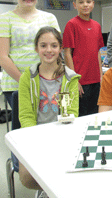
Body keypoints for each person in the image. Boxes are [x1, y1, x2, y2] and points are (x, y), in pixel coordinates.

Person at [18, 26, 80, 196]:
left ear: (60, 48)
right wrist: (38, 139)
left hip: (62, 136)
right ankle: (47, 190)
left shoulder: (70, 78)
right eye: (43, 45)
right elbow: (26, 115)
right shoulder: (27, 77)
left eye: (53, 45)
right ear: (36, 48)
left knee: (72, 170)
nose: (48, 50)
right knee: (27, 177)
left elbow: (72, 113)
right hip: (35, 136)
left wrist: (58, 140)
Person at [0, 0, 60, 108]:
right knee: (25, 124)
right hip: (16, 84)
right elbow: (2, 57)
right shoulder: (5, 19)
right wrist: (27, 83)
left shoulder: (49, 18)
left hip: (46, 82)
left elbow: (56, 50)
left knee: (47, 123)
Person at [63, 0, 104, 116]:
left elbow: (97, 52)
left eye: (88, 1)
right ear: (75, 5)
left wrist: (101, 75)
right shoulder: (72, 24)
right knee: (81, 115)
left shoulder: (97, 25)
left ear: (93, 3)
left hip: (95, 80)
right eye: (81, 2)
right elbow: (67, 53)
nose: (85, 5)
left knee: (94, 114)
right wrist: (74, 79)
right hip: (80, 81)